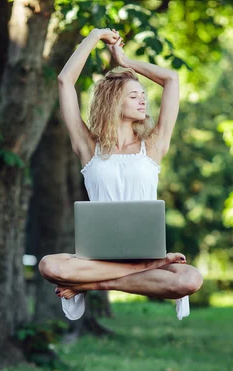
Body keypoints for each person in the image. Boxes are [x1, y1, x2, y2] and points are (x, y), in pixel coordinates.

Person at [38, 28, 203, 320]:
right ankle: (134, 272)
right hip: (99, 256)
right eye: (134, 96)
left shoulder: (153, 145)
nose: (143, 101)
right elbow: (65, 81)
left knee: (189, 280)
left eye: (143, 96)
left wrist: (124, 59)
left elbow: (171, 79)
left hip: (142, 256)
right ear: (114, 101)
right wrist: (95, 36)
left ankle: (95, 284)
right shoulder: (89, 147)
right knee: (49, 265)